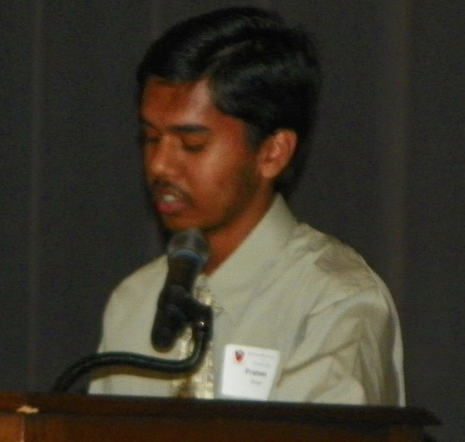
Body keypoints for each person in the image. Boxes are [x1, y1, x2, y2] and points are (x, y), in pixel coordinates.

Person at [90, 6, 405, 405]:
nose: (159, 165)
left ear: (272, 153)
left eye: (192, 144)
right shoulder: (134, 302)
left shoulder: (333, 301)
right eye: (151, 138)